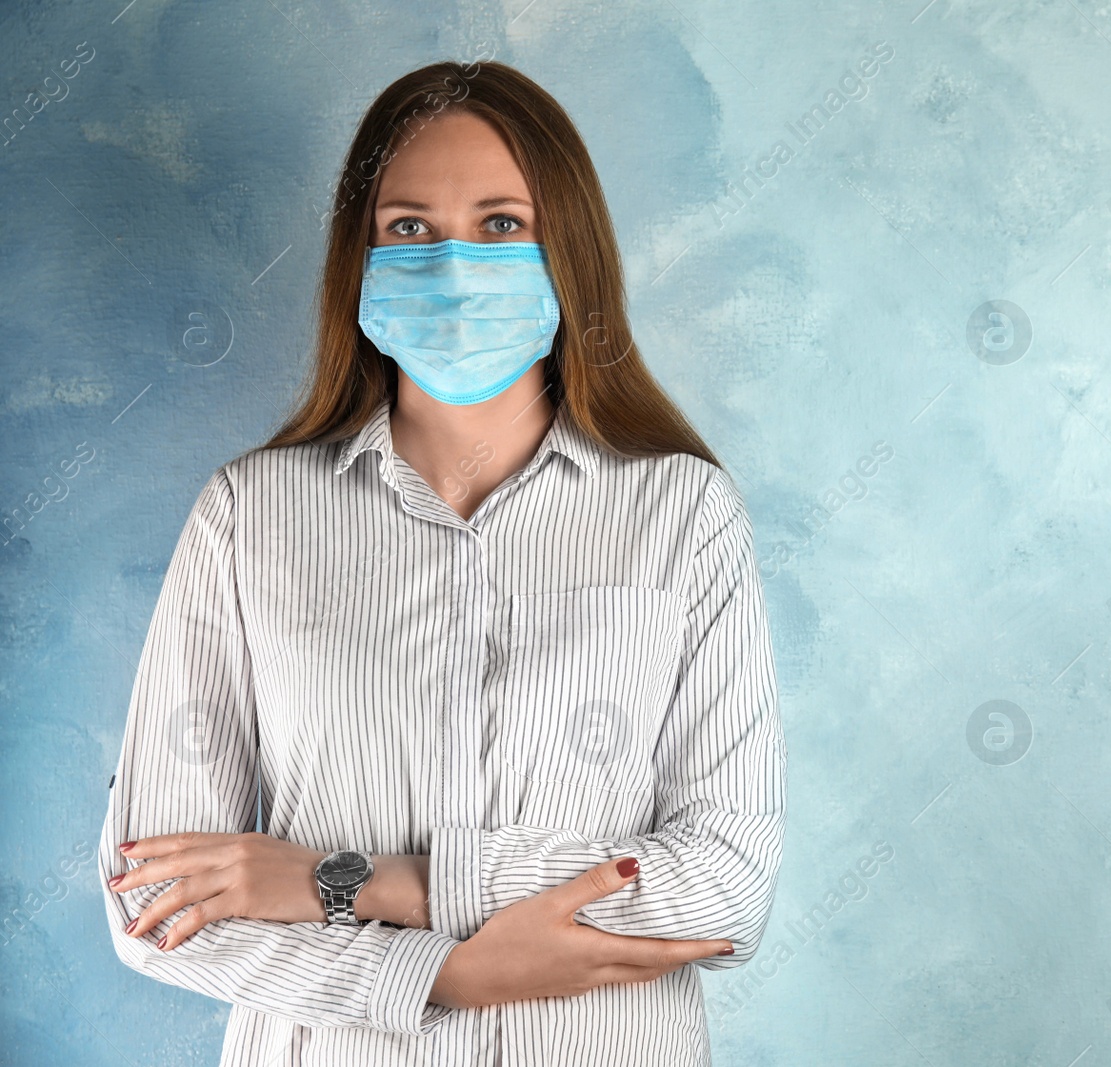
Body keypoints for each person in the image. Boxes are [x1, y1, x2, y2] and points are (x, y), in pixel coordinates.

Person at [97, 59, 786, 1066]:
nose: (455, 263)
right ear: (360, 258)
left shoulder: (682, 513)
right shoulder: (249, 516)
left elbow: (725, 885)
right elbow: (155, 897)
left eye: (502, 224)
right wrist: (442, 977)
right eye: (410, 228)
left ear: (569, 252)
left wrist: (353, 881)